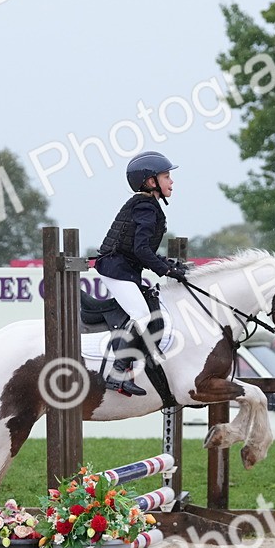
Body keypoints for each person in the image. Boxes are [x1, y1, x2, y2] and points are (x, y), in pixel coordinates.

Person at [94, 151, 188, 396]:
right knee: (142, 316)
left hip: (124, 268)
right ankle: (117, 374)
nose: (171, 181)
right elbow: (141, 250)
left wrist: (170, 265)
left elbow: (143, 252)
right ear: (150, 181)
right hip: (116, 268)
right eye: (166, 176)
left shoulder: (147, 205)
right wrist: (166, 270)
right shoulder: (146, 206)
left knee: (150, 315)